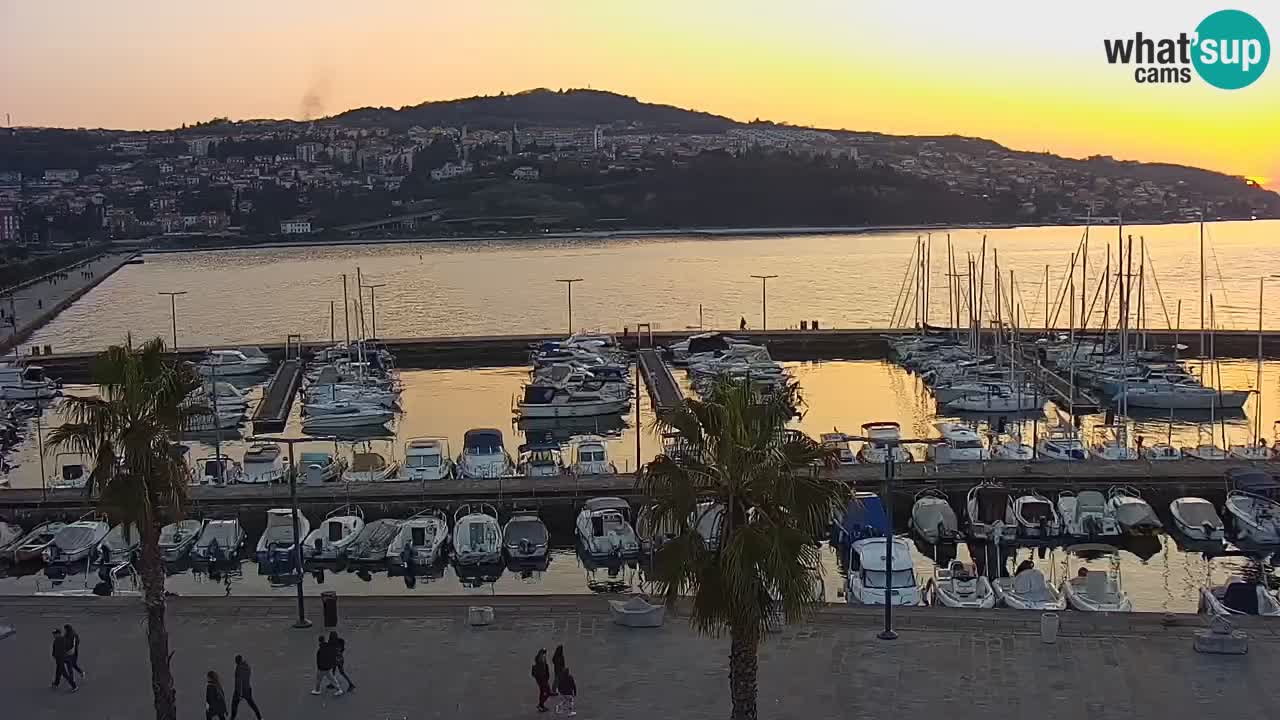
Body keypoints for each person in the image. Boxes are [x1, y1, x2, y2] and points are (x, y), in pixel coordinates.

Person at [231, 655, 262, 720]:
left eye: (236, 660)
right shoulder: (247, 666)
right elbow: (246, 679)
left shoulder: (238, 668)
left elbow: (239, 682)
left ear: (237, 661)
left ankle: (232, 718)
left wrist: (239, 694)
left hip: (240, 691)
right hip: (247, 689)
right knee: (252, 704)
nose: (235, 662)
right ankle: (259, 717)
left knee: (234, 704)